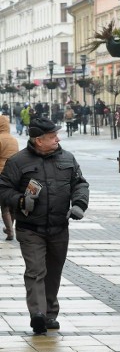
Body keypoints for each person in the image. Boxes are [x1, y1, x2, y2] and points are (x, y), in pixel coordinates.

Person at [0, 117, 89, 334]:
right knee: (35, 270)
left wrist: (79, 204)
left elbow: (80, 183)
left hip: (59, 227)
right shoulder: (18, 162)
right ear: (39, 140)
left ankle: (50, 314)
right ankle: (37, 314)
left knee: (53, 272)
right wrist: (20, 200)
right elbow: (3, 189)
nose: (57, 139)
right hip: (30, 228)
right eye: (52, 137)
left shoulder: (68, 158)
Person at [0, 115, 18, 240]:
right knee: (11, 204)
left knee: (4, 205)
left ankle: (10, 231)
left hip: (1, 174)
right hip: (13, 175)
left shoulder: (0, 139)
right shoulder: (13, 139)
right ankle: (9, 228)